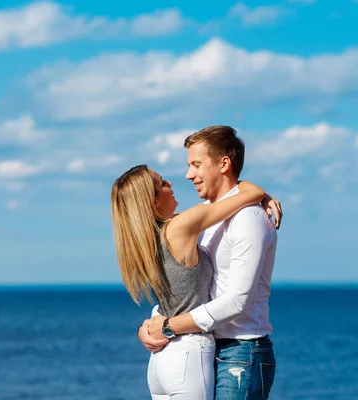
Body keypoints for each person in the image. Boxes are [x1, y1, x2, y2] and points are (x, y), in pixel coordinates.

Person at [138, 126, 281, 400]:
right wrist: (150, 324)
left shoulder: (248, 218)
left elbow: (237, 301)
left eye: (196, 165)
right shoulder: (207, 221)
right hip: (210, 347)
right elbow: (192, 289)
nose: (188, 174)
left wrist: (168, 326)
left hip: (241, 352)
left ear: (224, 164)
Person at [111, 163, 273, 399]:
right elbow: (251, 193)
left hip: (162, 361)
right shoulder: (182, 225)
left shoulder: (144, 240)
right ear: (153, 201)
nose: (171, 184)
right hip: (188, 353)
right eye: (162, 183)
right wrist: (265, 197)